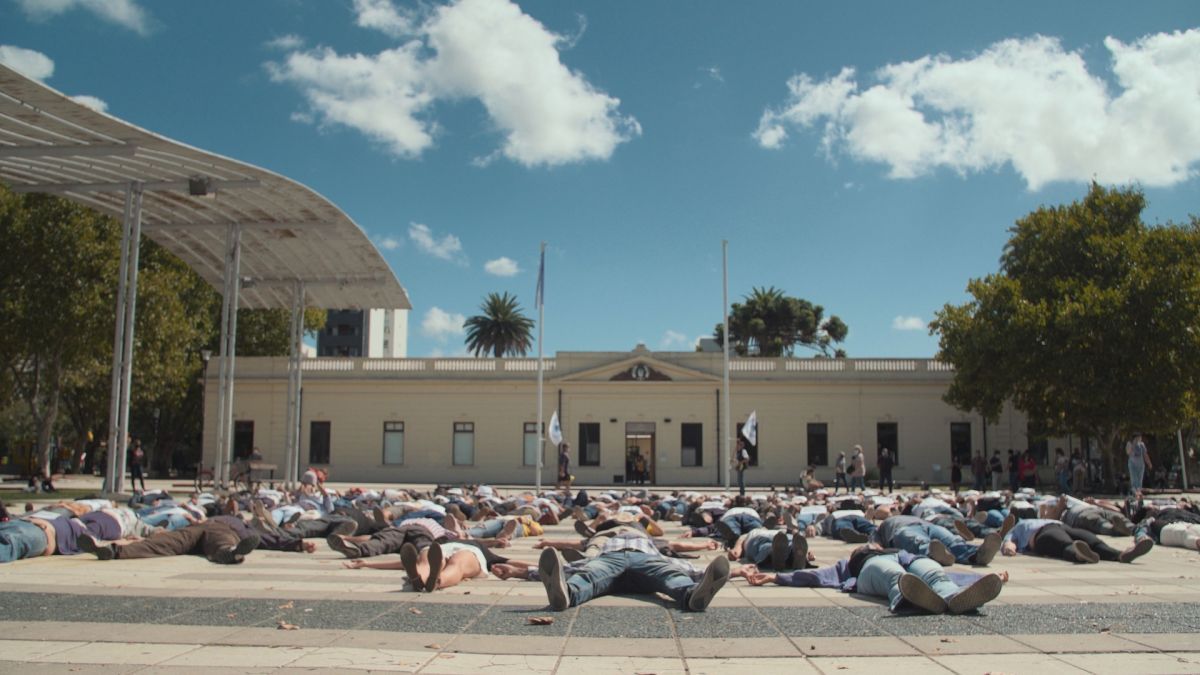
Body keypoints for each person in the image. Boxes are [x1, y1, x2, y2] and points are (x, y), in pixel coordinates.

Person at [746, 544, 1004, 614]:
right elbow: (815, 575)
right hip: (870, 570)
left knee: (934, 571)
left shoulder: (895, 550)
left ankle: (954, 598)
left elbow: (946, 572)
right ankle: (909, 599)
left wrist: (983, 579)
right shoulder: (848, 565)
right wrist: (776, 577)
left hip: (907, 559)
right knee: (894, 576)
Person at [537, 531, 731, 612]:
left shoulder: (652, 541)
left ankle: (693, 594)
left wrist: (707, 574)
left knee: (672, 574)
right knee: (589, 574)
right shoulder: (609, 539)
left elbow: (673, 561)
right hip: (610, 558)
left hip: (645, 558)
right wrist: (548, 572)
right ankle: (565, 593)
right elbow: (582, 564)